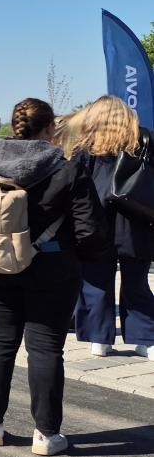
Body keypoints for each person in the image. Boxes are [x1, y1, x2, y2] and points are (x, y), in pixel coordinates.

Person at [0, 98, 106, 456]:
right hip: (51, 267)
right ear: (50, 129)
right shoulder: (67, 169)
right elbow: (89, 228)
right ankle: (46, 434)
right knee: (45, 349)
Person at [66, 96, 154, 360]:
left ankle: (98, 339)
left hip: (96, 222)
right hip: (136, 222)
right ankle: (146, 339)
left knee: (95, 282)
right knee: (136, 282)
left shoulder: (85, 148)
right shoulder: (144, 144)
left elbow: (74, 188)